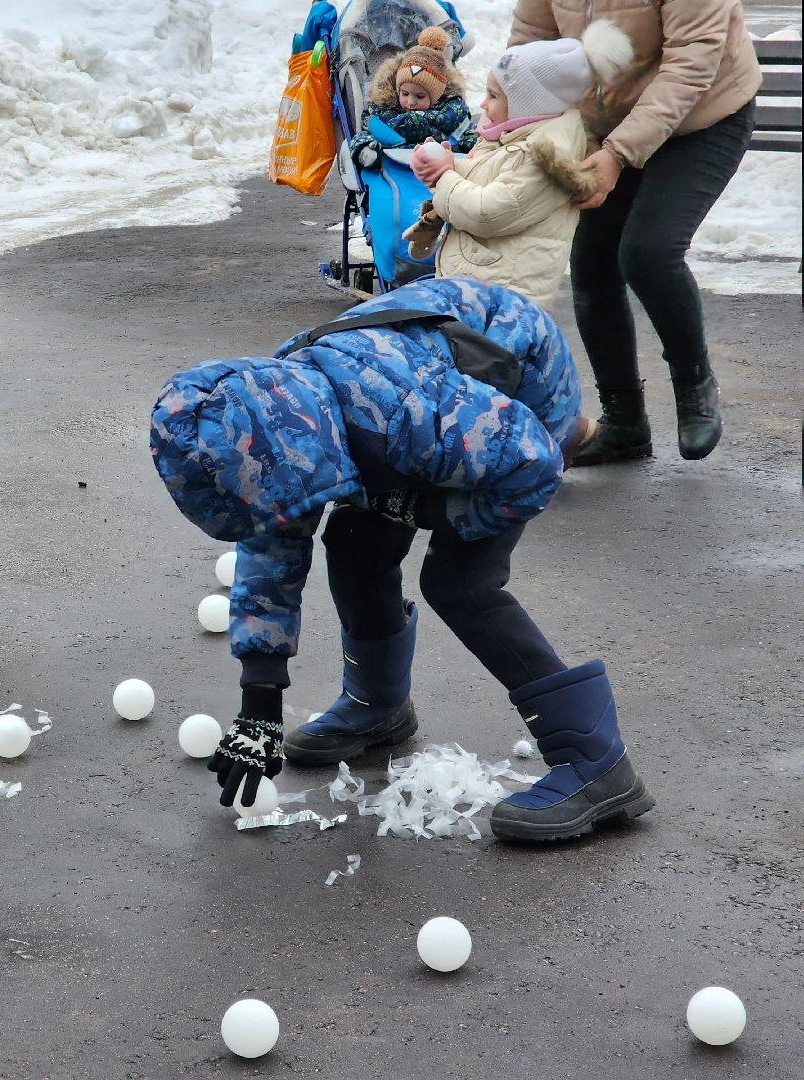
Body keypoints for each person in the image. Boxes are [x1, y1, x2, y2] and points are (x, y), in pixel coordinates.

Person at [150, 278, 654, 843]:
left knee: (459, 580)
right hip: (418, 408)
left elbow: (534, 466)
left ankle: (597, 761)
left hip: (520, 394)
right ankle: (378, 706)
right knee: (354, 540)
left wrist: (422, 506)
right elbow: (273, 538)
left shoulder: (407, 415)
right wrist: (259, 703)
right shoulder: (276, 412)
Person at [509, 0, 761, 465]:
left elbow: (690, 64)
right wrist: (510, 119)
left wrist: (618, 154)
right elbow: (530, 45)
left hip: (701, 115)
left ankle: (694, 384)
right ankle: (624, 424)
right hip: (606, 122)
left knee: (649, 251)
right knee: (591, 264)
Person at [405, 22, 633, 306]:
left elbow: (487, 213)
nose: (484, 104)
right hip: (479, 289)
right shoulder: (514, 138)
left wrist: (445, 177)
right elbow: (489, 176)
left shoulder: (546, 158)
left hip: (504, 304)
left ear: (529, 106)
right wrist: (448, 166)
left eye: (494, 96)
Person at [347, 27, 477, 168]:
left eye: (420, 96)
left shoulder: (451, 113)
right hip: (392, 165)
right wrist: (366, 147)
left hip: (437, 167)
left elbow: (467, 135)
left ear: (436, 96)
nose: (410, 102)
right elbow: (364, 132)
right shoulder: (384, 110)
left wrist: (474, 148)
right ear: (398, 91)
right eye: (405, 94)